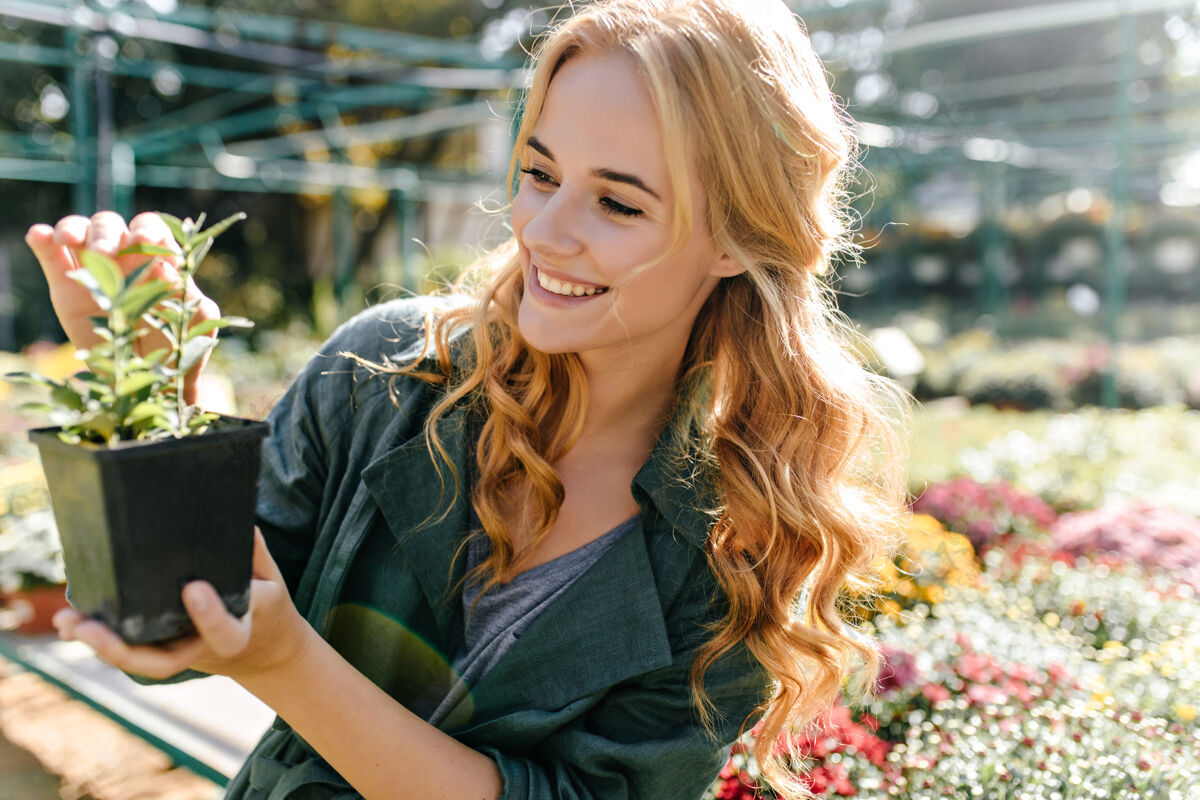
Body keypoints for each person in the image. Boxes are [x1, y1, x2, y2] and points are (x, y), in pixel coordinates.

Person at [27, 0, 908, 797]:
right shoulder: (383, 377)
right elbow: (156, 644)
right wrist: (149, 393)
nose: (545, 231)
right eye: (539, 171)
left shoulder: (738, 542)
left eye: (617, 203)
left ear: (735, 240)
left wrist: (288, 662)